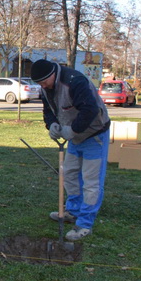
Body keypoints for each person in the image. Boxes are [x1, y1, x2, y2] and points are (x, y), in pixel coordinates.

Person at [31, 59, 110, 241]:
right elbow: (48, 111)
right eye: (39, 84)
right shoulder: (46, 87)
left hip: (94, 134)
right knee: (69, 174)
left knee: (91, 181)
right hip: (74, 137)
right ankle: (73, 211)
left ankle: (85, 224)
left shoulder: (75, 81)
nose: (43, 86)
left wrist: (72, 129)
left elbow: (90, 110)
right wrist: (52, 125)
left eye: (44, 82)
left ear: (53, 74)